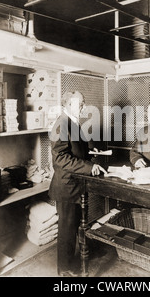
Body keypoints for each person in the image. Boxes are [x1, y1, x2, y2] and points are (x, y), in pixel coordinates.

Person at [48, 91, 106, 277]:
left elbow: (75, 151)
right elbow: (61, 160)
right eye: (80, 103)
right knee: (67, 230)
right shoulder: (61, 123)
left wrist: (91, 152)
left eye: (83, 102)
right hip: (66, 186)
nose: (83, 106)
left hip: (76, 184)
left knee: (76, 225)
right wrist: (89, 167)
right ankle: (64, 270)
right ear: (68, 104)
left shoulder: (73, 122)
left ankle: (78, 257)